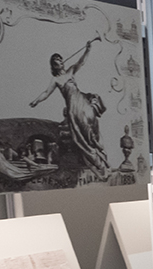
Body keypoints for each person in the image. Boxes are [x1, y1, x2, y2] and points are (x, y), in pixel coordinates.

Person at [29, 41, 109, 178]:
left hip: (82, 101)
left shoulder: (70, 71)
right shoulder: (56, 80)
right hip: (73, 107)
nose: (60, 62)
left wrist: (87, 50)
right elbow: (46, 92)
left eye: (60, 60)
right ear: (54, 66)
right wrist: (36, 100)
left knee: (92, 125)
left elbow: (81, 63)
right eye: (56, 61)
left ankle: (99, 154)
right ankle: (97, 162)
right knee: (83, 132)